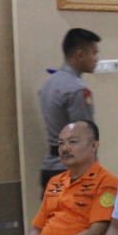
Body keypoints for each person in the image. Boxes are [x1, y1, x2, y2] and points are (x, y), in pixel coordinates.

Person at [38, 28, 100, 189]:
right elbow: (84, 134)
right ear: (79, 55)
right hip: (73, 171)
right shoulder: (76, 89)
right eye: (93, 53)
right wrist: (94, 172)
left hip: (50, 167)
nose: (96, 59)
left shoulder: (49, 84)